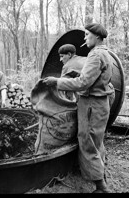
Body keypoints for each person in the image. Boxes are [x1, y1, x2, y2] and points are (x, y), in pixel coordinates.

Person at [43, 23, 114, 193]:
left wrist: (57, 82)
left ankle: (100, 186)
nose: (84, 38)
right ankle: (101, 175)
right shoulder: (105, 52)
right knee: (96, 140)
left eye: (87, 34)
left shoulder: (95, 55)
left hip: (91, 104)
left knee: (87, 141)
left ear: (97, 37)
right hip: (100, 103)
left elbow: (83, 83)